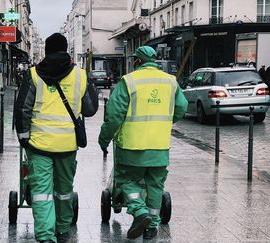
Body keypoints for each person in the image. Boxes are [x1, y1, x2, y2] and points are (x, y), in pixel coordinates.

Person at [14, 33, 98, 243]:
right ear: (66, 49)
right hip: (67, 145)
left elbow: (23, 109)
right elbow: (90, 109)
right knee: (63, 191)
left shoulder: (33, 74)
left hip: (39, 145)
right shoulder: (80, 75)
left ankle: (45, 236)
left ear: (47, 51)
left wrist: (24, 138)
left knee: (41, 193)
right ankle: (62, 229)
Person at [98, 46, 188, 240]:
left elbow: (114, 116)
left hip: (132, 146)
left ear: (137, 61)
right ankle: (151, 227)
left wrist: (104, 139)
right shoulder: (171, 82)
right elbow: (181, 107)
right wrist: (164, 122)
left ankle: (139, 211)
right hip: (160, 146)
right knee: (155, 185)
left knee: (126, 181)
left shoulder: (128, 81)